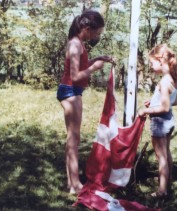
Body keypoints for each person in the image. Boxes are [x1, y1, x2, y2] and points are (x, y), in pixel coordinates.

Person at [57, 9, 114, 195]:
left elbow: (82, 65)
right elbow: (76, 75)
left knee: (74, 138)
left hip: (74, 91)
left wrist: (97, 59)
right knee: (73, 139)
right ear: (87, 28)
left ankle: (72, 182)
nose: (97, 36)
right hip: (70, 91)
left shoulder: (79, 43)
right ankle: (74, 184)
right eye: (96, 33)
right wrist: (94, 69)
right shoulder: (75, 45)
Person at [138, 44, 177, 198]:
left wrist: (145, 110)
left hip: (160, 122)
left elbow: (165, 107)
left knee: (160, 157)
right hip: (169, 122)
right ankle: (168, 179)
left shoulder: (163, 82)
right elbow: (174, 102)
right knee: (166, 152)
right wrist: (154, 101)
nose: (151, 65)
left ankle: (162, 191)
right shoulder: (173, 79)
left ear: (161, 61)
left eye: (152, 63)